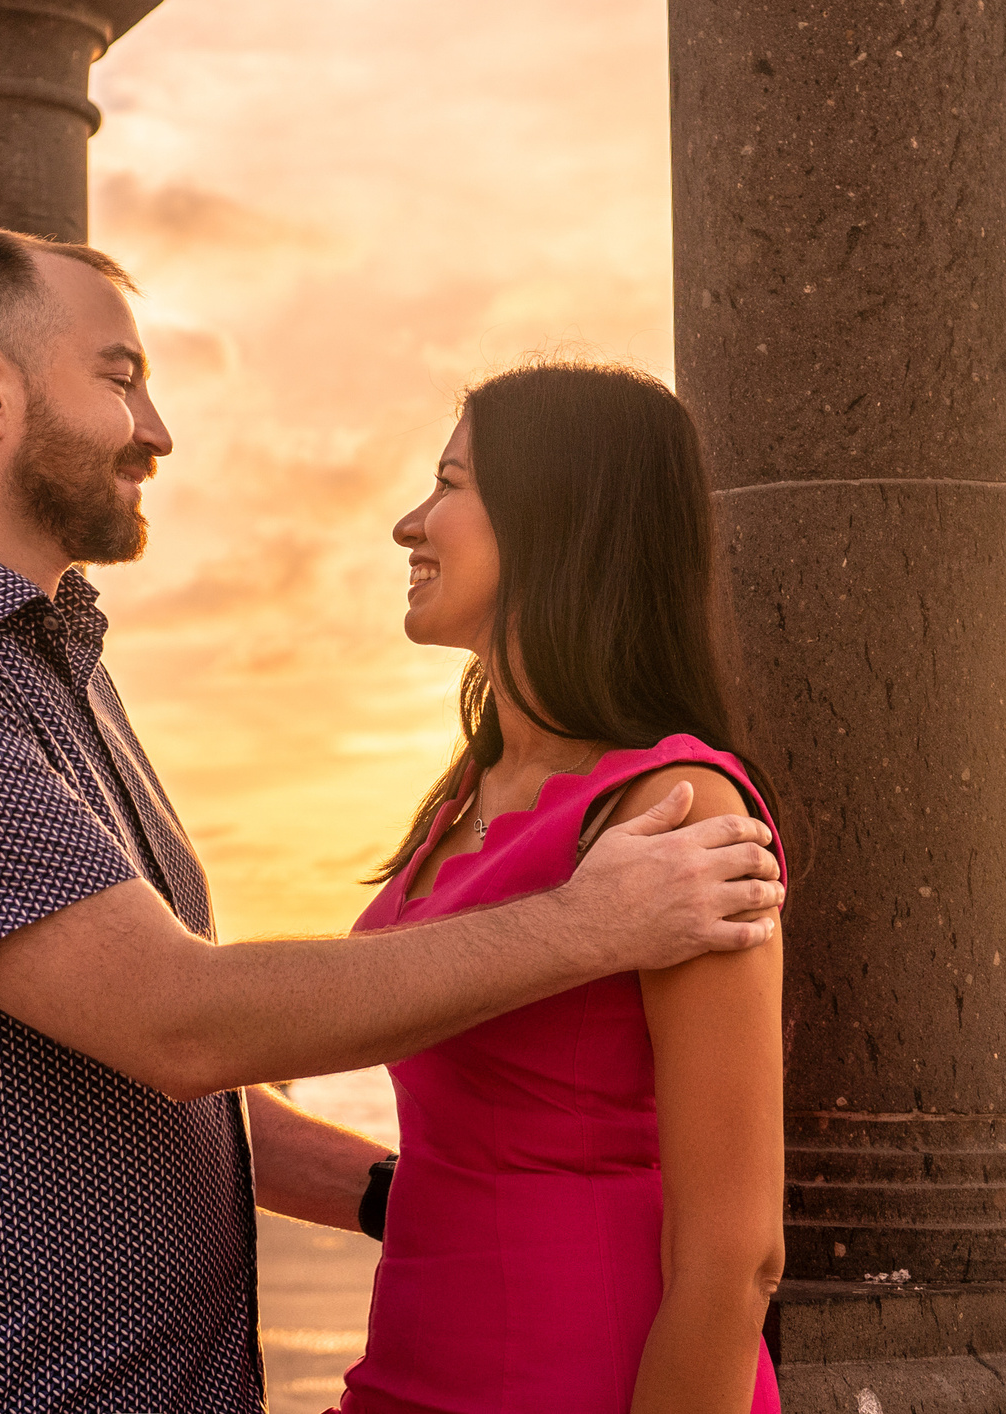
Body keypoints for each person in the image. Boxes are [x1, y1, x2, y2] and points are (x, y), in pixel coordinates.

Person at [0, 229, 785, 1409]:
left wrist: (411, 1202)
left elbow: (152, 1077)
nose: (157, 428)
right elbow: (177, 1026)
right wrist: (591, 925)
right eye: (120, 376)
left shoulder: (54, 672)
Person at [335, 363, 786, 1413]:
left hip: (582, 1381)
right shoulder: (466, 795)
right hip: (403, 1376)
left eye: (450, 483)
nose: (412, 522)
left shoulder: (675, 806)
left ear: (559, 517)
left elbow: (734, 1257)